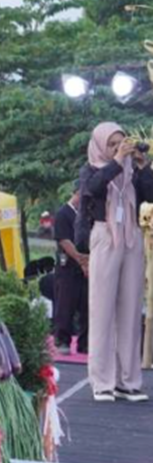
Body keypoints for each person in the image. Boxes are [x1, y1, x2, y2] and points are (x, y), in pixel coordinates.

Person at [78, 122, 153, 403]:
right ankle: (102, 382)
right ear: (99, 145)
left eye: (122, 143)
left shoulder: (133, 173)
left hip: (132, 237)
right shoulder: (92, 169)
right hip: (105, 235)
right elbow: (93, 190)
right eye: (111, 144)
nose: (117, 149)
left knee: (131, 310)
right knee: (102, 309)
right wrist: (117, 161)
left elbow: (151, 195)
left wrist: (142, 166)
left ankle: (128, 381)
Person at [52, 189, 89, 354]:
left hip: (86, 267)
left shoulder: (88, 215)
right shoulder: (63, 214)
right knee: (65, 305)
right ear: (76, 193)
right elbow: (63, 240)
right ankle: (62, 341)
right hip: (68, 266)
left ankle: (85, 342)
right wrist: (80, 259)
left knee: (87, 306)